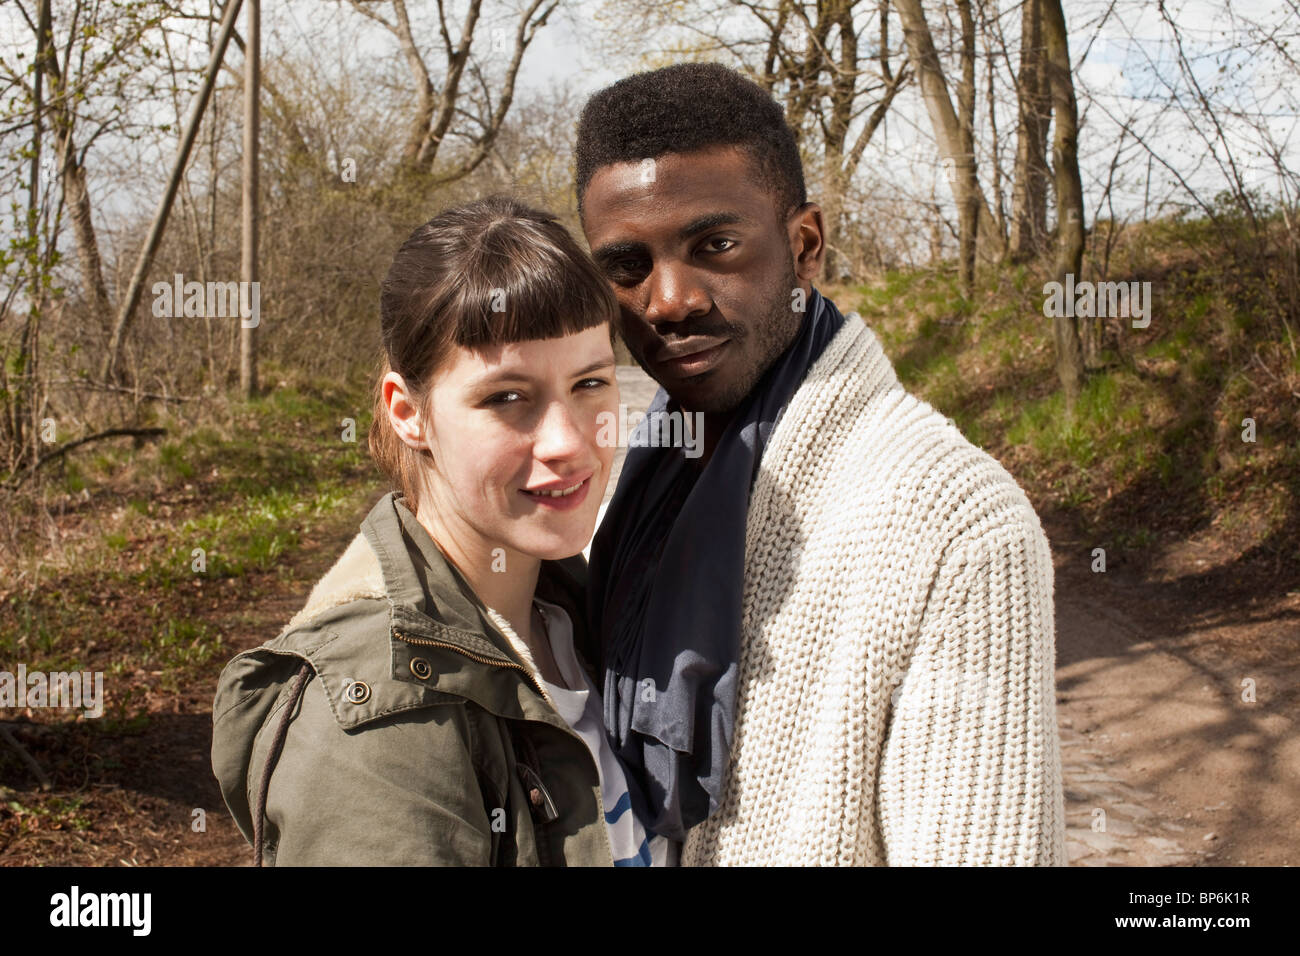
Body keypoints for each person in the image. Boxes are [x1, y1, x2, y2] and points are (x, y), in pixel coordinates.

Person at [574, 62, 1067, 865]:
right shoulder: (612, 480)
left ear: (805, 246)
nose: (669, 299)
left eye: (716, 245)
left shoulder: (956, 521)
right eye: (629, 266)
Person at [211, 195, 670, 866]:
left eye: (590, 382)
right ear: (410, 412)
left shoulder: (579, 613)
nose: (569, 441)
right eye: (506, 397)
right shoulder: (378, 725)